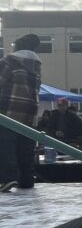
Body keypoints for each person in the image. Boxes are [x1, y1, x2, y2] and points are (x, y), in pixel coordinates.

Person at [0, 34, 42, 192]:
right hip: (30, 116)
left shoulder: (8, 62)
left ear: (17, 47)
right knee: (25, 148)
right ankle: (26, 179)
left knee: (5, 145)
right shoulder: (35, 65)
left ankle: (8, 178)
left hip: (8, 112)